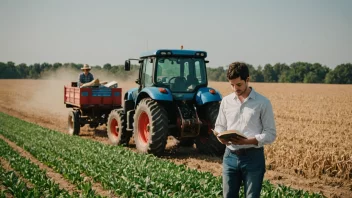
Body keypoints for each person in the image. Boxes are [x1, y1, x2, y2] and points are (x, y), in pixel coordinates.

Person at [214, 62, 276, 198]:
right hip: (229, 156)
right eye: (232, 85)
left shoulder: (263, 103)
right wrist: (220, 136)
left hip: (253, 157)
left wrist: (247, 141)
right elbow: (219, 126)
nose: (235, 88)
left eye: (239, 84)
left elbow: (271, 134)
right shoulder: (226, 101)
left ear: (247, 79)